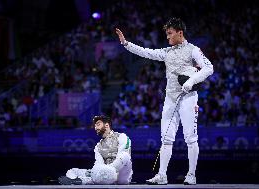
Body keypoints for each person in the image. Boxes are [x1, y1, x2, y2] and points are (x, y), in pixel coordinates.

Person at [115, 17, 213, 185]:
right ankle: (162, 175)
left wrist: (191, 81)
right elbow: (147, 52)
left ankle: (191, 175)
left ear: (179, 33)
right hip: (170, 99)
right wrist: (126, 44)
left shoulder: (193, 50)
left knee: (191, 137)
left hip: (188, 98)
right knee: (166, 139)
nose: (167, 37)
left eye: (170, 33)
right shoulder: (167, 52)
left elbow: (209, 68)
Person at [58, 115, 133, 185]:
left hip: (122, 176)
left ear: (106, 125)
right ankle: (80, 180)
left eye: (98, 125)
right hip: (106, 176)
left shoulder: (122, 137)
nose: (95, 128)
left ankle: (89, 179)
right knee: (72, 171)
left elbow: (123, 157)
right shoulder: (98, 146)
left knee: (125, 156)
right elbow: (99, 164)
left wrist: (107, 170)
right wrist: (99, 171)